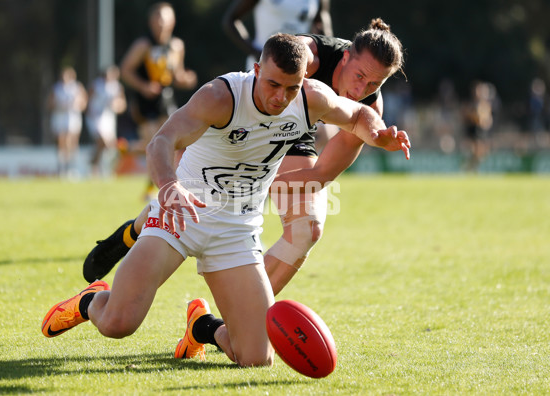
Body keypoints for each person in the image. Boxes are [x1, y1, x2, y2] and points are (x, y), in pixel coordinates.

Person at [41, 33, 410, 368]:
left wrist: (380, 135)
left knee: (256, 358)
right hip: (181, 215)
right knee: (119, 324)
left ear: (305, 83)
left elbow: (360, 114)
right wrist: (169, 188)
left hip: (237, 230)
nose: (280, 97)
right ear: (255, 70)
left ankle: (203, 327)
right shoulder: (221, 96)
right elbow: (161, 143)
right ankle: (91, 302)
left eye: (291, 89)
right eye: (273, 84)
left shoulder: (311, 98)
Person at [82, 19, 405, 298]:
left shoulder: (368, 110)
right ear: (345, 56)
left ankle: (230, 325)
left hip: (299, 131)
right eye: (359, 76)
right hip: (261, 111)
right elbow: (278, 64)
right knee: (199, 194)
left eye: (375, 84)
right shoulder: (310, 58)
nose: (362, 88)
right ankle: (134, 231)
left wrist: (258, 189)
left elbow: (321, 174)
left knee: (308, 229)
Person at [119, 2, 197, 198]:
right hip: (145, 102)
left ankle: (162, 184)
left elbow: (176, 75)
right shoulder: (143, 45)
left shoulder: (177, 46)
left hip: (166, 98)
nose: (161, 23)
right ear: (151, 21)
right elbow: (125, 70)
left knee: (170, 142)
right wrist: (143, 86)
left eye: (165, 18)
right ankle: (152, 186)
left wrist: (186, 79)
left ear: (173, 21)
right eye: (158, 18)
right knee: (152, 140)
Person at [222, 0, 333, 71]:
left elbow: (325, 34)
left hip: (299, 69)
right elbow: (230, 20)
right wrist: (255, 52)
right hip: (261, 68)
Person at [86, 65, 127, 177]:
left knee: (108, 146)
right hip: (95, 117)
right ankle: (98, 167)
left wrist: (117, 106)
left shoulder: (117, 87)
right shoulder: (96, 85)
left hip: (108, 118)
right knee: (103, 142)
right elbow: (87, 100)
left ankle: (94, 164)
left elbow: (122, 105)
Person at [48, 66, 88, 178]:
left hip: (72, 117)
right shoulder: (56, 88)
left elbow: (84, 103)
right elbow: (50, 103)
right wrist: (59, 105)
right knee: (61, 141)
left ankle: (72, 167)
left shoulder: (77, 87)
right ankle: (62, 168)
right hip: (60, 117)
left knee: (72, 141)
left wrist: (76, 104)